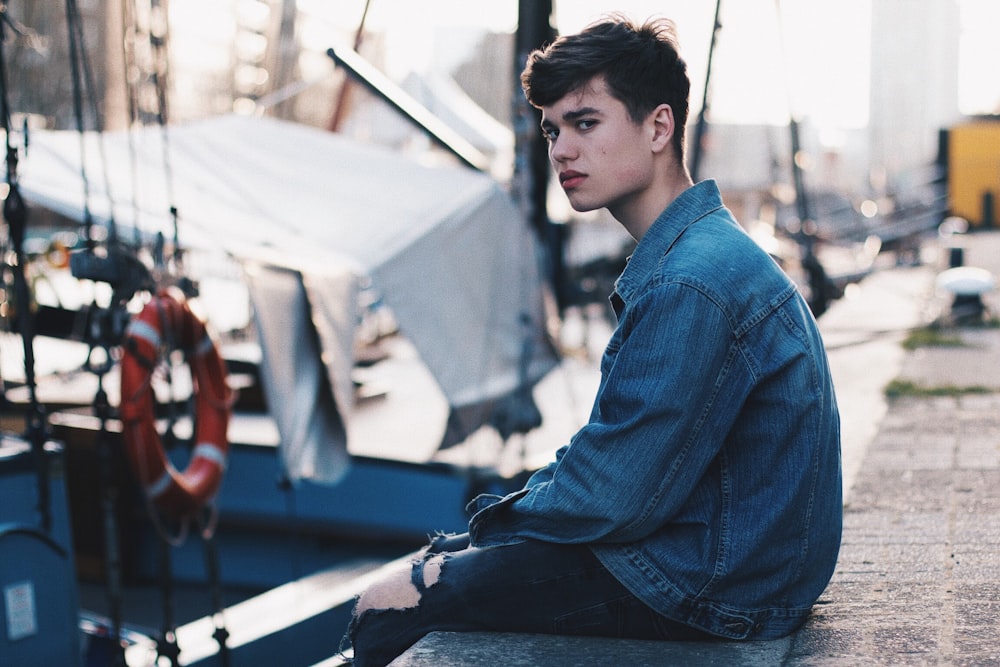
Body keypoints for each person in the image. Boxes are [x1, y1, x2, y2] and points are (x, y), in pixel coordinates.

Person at [343, 14, 842, 667]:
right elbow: (618, 462)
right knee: (436, 569)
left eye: (584, 123)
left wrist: (482, 534)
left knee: (386, 599)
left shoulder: (691, 282)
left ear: (659, 127)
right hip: (738, 567)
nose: (560, 151)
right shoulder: (705, 253)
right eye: (552, 129)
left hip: (709, 587)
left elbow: (612, 493)